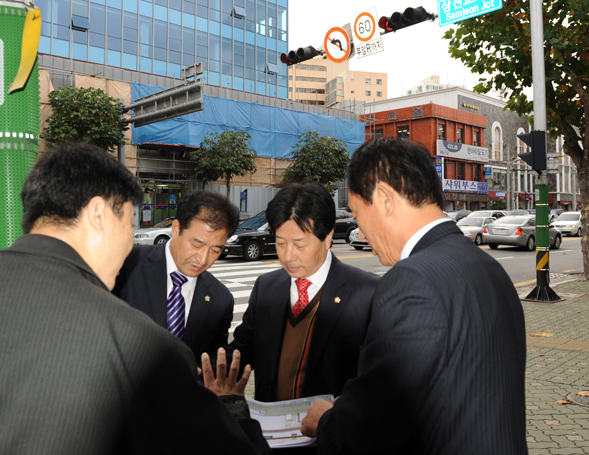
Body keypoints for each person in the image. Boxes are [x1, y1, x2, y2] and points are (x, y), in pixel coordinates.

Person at [0, 143, 269, 455]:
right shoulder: (142, 348)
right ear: (99, 215)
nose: (133, 240)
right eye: (130, 223)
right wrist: (232, 406)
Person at [300, 136, 527, 454]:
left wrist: (328, 420)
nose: (360, 231)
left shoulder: (411, 281)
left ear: (384, 199)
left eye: (357, 213)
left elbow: (374, 430)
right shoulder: (486, 265)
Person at [230, 183, 379, 407]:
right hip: (271, 434)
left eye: (300, 245)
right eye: (280, 243)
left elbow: (379, 380)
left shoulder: (368, 292)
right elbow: (242, 350)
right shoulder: (266, 286)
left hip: (329, 435)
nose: (288, 256)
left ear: (327, 237)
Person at [116, 190, 238, 363]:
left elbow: (210, 364)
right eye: (197, 244)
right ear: (176, 229)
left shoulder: (221, 300)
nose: (203, 259)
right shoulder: (126, 265)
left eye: (215, 250)